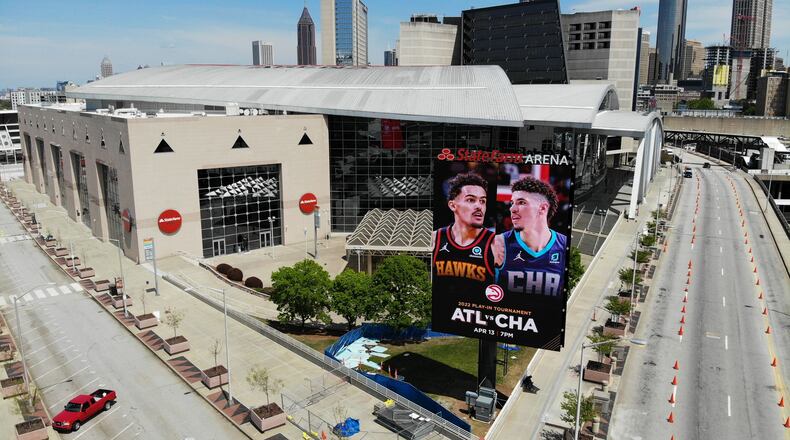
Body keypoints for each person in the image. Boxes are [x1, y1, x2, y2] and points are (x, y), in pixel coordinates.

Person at [494, 176, 567, 297]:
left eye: (521, 202)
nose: (512, 209)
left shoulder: (564, 246)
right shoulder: (498, 244)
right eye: (512, 203)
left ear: (542, 208)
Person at [432, 172, 496, 293]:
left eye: (482, 201)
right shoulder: (435, 239)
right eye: (471, 200)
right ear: (452, 205)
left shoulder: (494, 243)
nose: (479, 206)